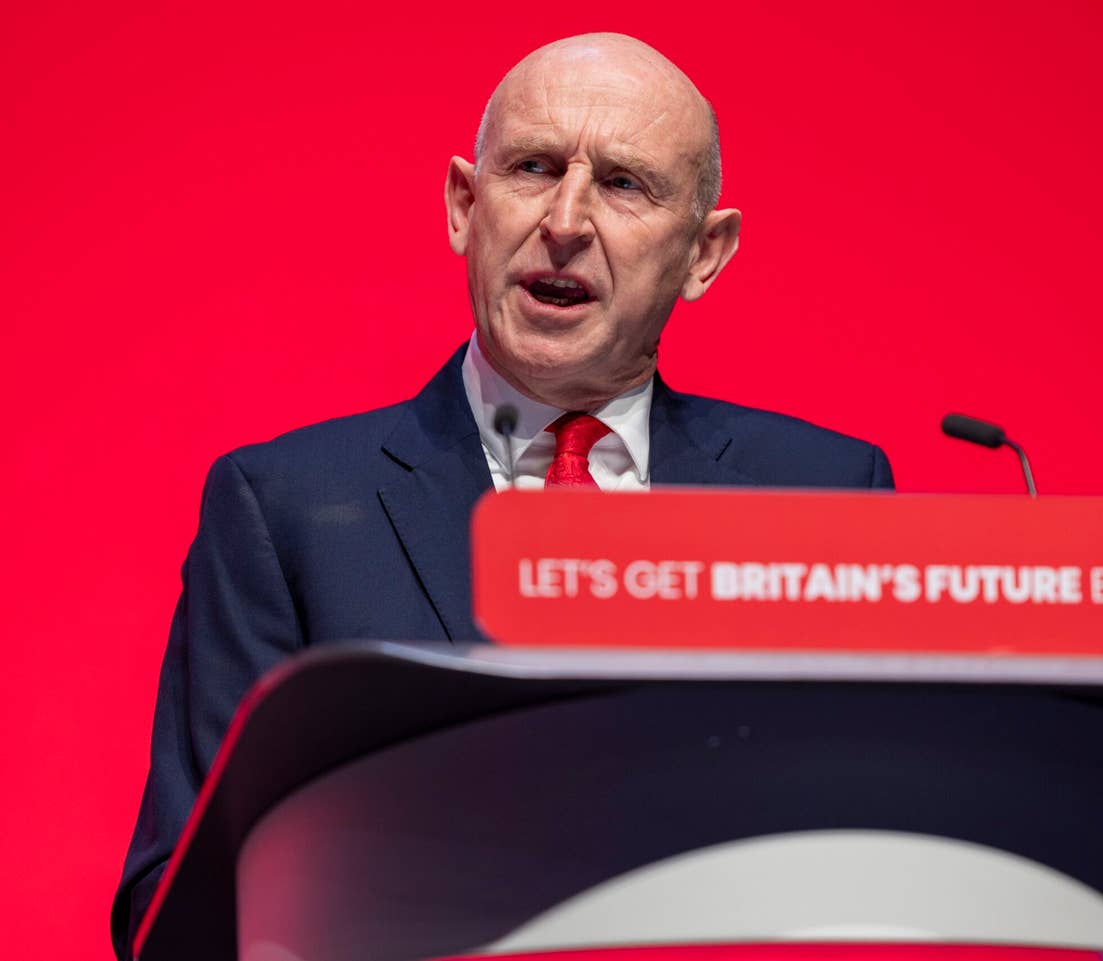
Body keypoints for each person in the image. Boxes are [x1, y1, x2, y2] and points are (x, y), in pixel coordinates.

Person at [112, 32, 893, 960]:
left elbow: (871, 850)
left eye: (623, 184)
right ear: (462, 206)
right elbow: (175, 905)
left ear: (704, 254)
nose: (565, 220)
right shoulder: (285, 509)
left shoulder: (823, 497)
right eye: (533, 167)